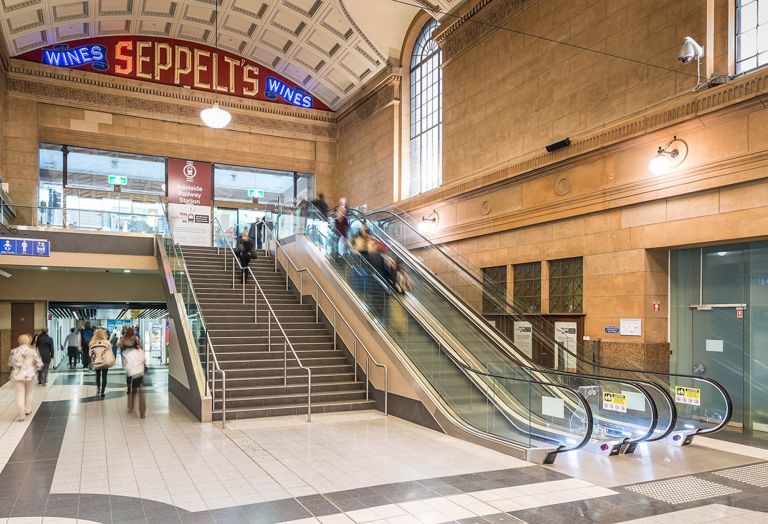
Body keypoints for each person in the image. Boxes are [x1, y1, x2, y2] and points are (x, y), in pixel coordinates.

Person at [9, 334, 42, 422]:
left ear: (19, 341)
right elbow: (39, 364)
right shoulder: (32, 351)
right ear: (28, 341)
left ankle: (21, 415)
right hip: (30, 375)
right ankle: (27, 409)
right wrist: (35, 369)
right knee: (28, 393)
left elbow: (11, 363)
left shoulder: (14, 351)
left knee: (19, 395)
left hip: (17, 376)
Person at [121, 327, 146, 418]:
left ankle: (130, 407)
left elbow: (121, 351)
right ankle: (142, 411)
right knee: (139, 389)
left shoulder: (123, 340)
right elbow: (141, 349)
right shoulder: (136, 339)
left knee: (131, 389)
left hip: (129, 367)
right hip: (139, 368)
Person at [89, 328, 113, 398]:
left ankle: (98, 389)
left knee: (98, 375)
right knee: (104, 376)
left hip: (97, 362)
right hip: (105, 361)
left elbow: (90, 353)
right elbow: (110, 352)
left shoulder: (92, 342)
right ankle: (103, 391)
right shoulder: (107, 342)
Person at [119, 327, 142, 395]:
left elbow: (121, 348)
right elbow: (140, 347)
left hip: (127, 359)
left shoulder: (123, 339)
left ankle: (129, 388)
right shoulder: (136, 338)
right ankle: (134, 388)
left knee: (128, 374)